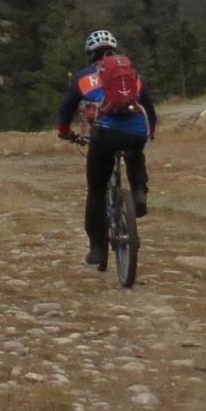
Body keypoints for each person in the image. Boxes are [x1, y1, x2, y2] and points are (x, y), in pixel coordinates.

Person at [55, 28, 156, 270]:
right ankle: (139, 193)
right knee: (135, 153)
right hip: (135, 132)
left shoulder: (83, 77)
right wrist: (149, 132)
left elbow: (65, 111)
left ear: (90, 53)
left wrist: (66, 133)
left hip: (104, 135)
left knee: (97, 190)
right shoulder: (130, 73)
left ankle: (97, 248)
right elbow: (149, 109)